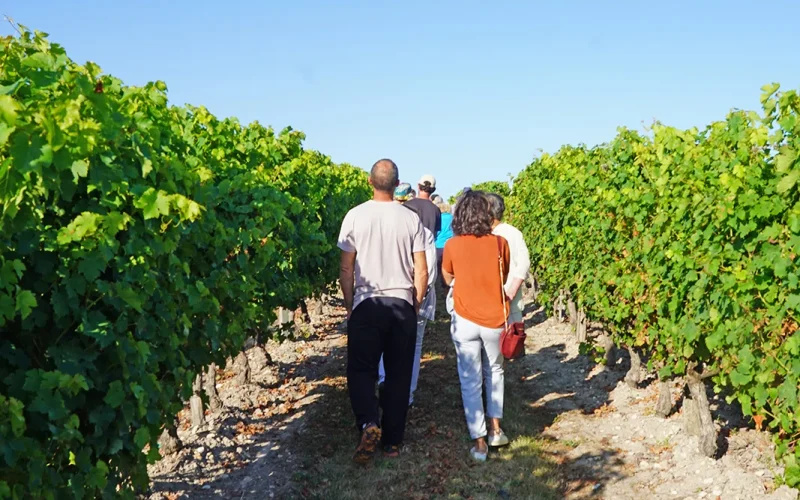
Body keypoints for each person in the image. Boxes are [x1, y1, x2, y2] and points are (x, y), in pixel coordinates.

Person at [337, 159, 429, 464]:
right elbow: (422, 269)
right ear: (398, 184)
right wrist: (414, 302)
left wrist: (351, 305)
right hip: (401, 303)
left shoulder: (354, 216)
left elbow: (346, 267)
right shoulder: (411, 218)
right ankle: (392, 442)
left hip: (367, 302)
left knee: (361, 370)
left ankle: (368, 423)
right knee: (399, 373)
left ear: (369, 181)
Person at [441, 190, 511, 462]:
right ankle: (496, 429)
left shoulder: (453, 246)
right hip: (495, 318)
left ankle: (479, 443)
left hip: (465, 319)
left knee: (470, 379)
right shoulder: (500, 243)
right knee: (495, 371)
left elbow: (447, 276)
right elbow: (502, 275)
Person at [377, 183, 437, 408]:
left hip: (390, 296)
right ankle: (407, 394)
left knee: (385, 341)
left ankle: (384, 380)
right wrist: (418, 301)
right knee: (414, 345)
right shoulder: (425, 233)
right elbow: (427, 272)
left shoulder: (386, 232)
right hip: (415, 299)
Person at [485, 193, 531, 323]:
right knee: (511, 340)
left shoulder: (485, 235)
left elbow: (524, 263)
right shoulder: (514, 232)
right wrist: (512, 290)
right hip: (512, 299)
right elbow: (524, 263)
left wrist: (511, 291)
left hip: (494, 301)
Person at [434, 203, 454, 288]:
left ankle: (438, 287)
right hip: (449, 245)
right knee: (448, 267)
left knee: (437, 268)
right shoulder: (452, 218)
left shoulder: (438, 218)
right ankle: (446, 286)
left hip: (438, 245)